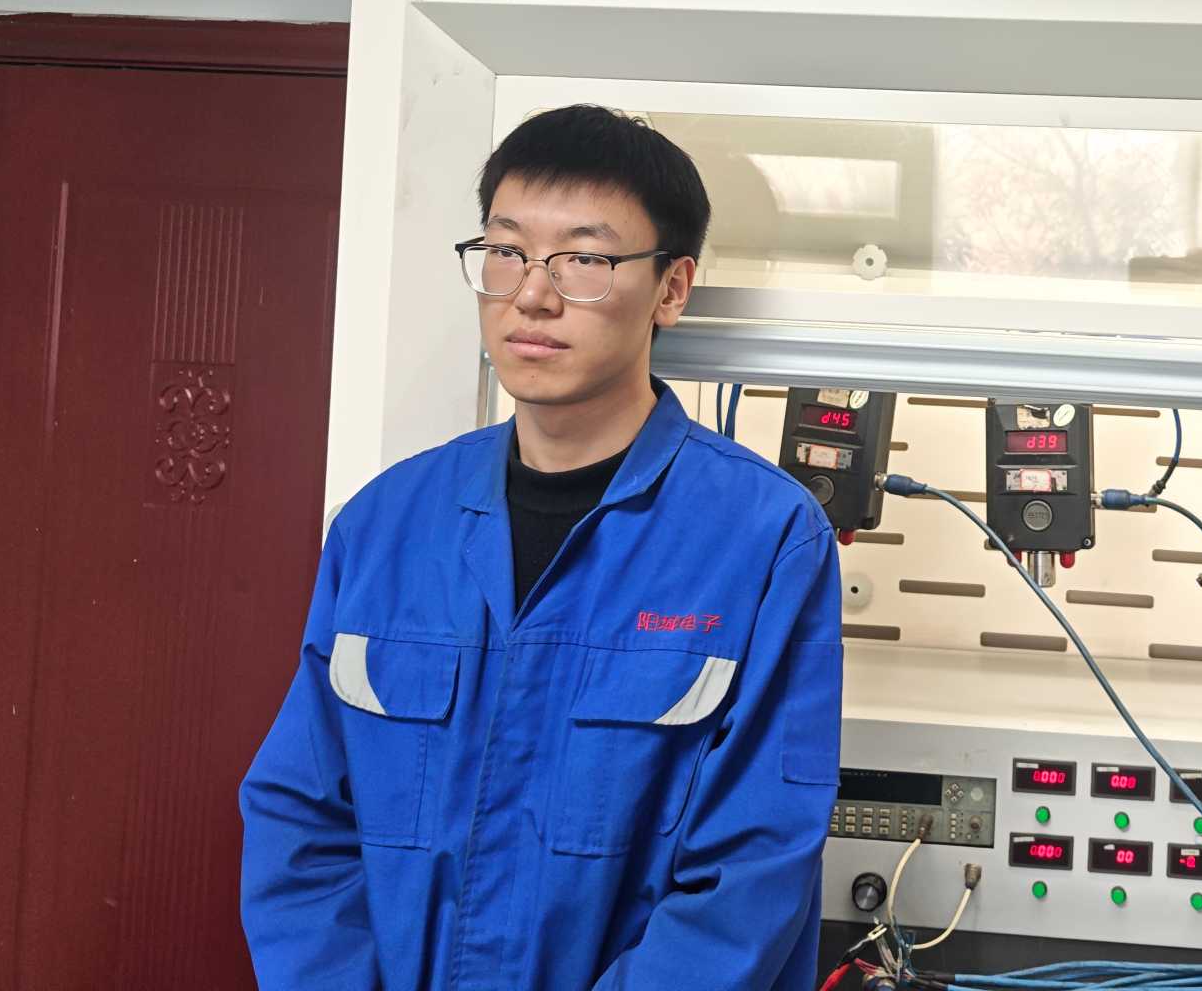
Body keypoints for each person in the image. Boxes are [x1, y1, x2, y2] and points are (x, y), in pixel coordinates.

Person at [240, 104, 841, 991]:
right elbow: (301, 822)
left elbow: (749, 876)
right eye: (507, 250)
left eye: (585, 260)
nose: (532, 294)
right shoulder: (384, 525)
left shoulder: (764, 540)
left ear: (672, 289)